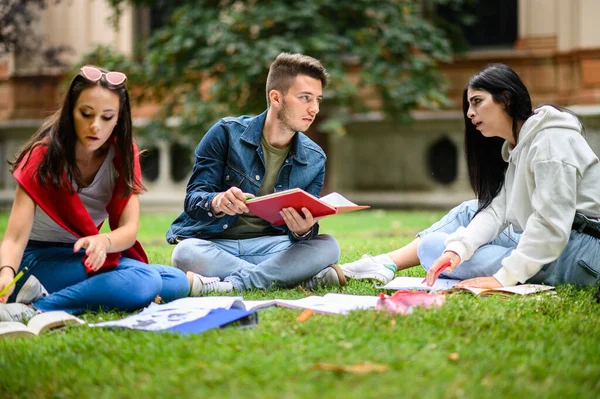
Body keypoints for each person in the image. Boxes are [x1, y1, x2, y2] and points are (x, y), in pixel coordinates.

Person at [341, 63, 600, 289]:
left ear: (506, 99)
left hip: (582, 253)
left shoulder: (550, 141)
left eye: (477, 101)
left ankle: (387, 263)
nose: (469, 113)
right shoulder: (520, 146)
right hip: (564, 242)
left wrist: (504, 277)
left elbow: (551, 223)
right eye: (468, 104)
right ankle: (383, 263)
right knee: (466, 218)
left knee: (431, 248)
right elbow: (498, 211)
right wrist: (459, 249)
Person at [0, 66, 191, 322]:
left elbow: (129, 229)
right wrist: (5, 272)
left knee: (175, 280)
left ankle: (43, 297)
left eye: (107, 117)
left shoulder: (122, 156)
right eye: (86, 114)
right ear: (71, 111)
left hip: (82, 255)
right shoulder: (42, 157)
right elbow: (14, 238)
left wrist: (104, 241)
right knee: (144, 280)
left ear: (119, 118)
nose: (95, 126)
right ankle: (34, 309)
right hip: (36, 259)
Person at [167, 53, 343, 294]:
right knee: (186, 253)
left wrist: (303, 230)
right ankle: (290, 277)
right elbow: (193, 199)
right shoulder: (226, 133)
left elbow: (303, 235)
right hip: (217, 244)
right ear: (276, 98)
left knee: (329, 246)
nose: (314, 109)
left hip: (272, 246)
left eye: (318, 100)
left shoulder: (314, 158)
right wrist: (217, 202)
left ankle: (230, 285)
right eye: (305, 98)